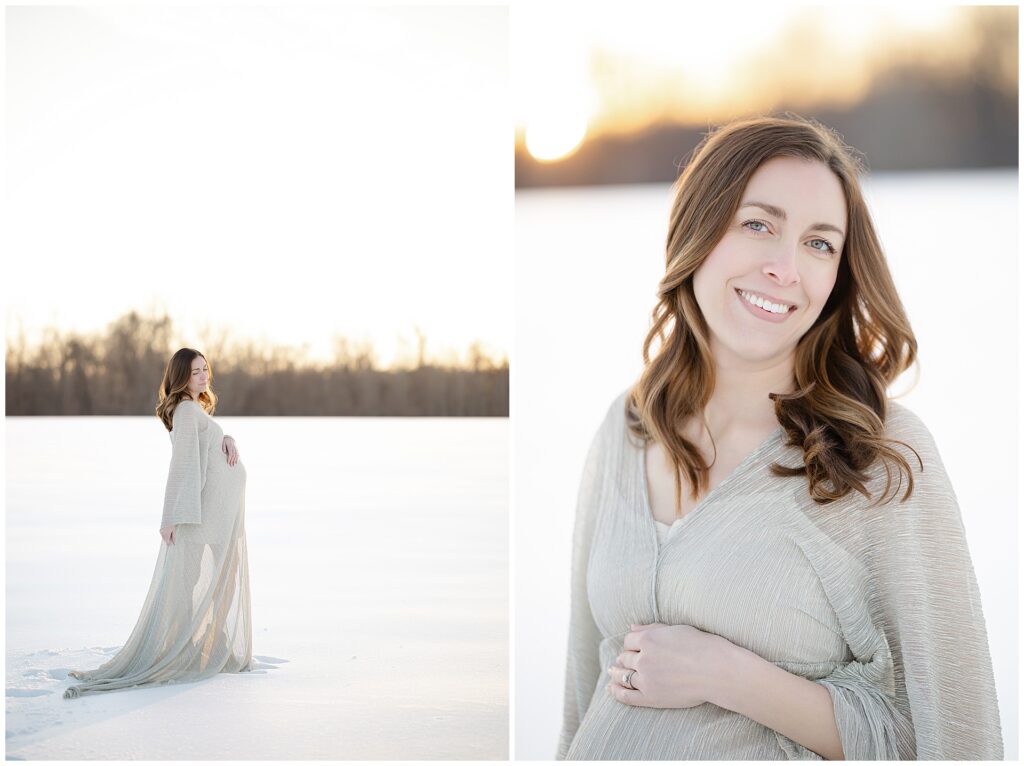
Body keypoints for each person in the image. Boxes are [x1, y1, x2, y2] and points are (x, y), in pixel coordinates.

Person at [557, 116, 1002, 759]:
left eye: (820, 244)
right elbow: (584, 686)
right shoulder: (628, 428)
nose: (785, 268)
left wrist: (727, 675)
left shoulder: (876, 457)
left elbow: (955, 736)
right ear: (698, 231)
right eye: (759, 224)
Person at [65, 348, 252, 699]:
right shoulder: (184, 410)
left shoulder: (193, 410)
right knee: (199, 578)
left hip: (217, 509)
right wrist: (172, 517)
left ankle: (211, 641)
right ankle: (184, 646)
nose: (203, 376)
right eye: (195, 371)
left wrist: (226, 437)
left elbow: (205, 448)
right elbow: (182, 465)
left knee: (221, 576)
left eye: (205, 369)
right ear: (180, 376)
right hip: (205, 511)